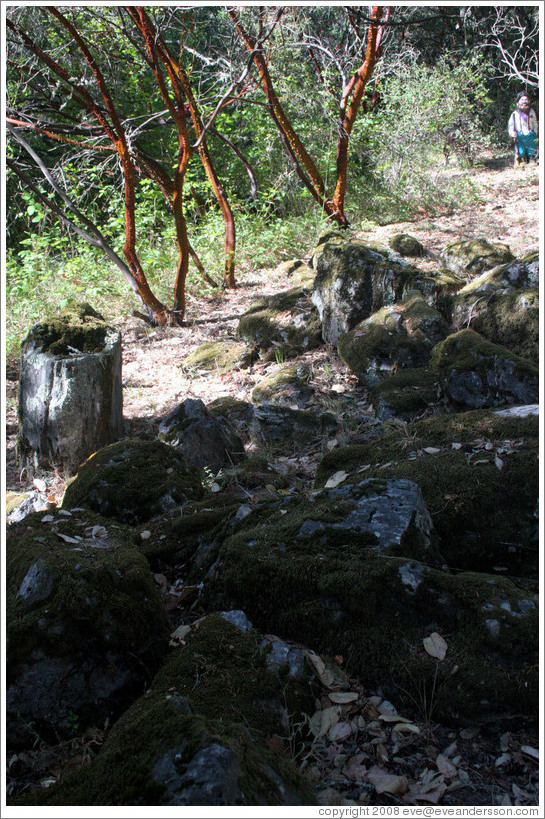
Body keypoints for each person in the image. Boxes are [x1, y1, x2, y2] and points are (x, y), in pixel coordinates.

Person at [508, 91, 538, 166]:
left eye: (526, 99)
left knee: (531, 148)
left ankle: (531, 159)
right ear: (517, 102)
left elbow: (535, 123)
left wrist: (535, 132)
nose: (524, 102)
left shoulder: (531, 112)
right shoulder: (514, 114)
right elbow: (511, 126)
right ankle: (521, 160)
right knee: (520, 150)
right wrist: (512, 133)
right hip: (520, 136)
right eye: (522, 100)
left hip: (530, 134)